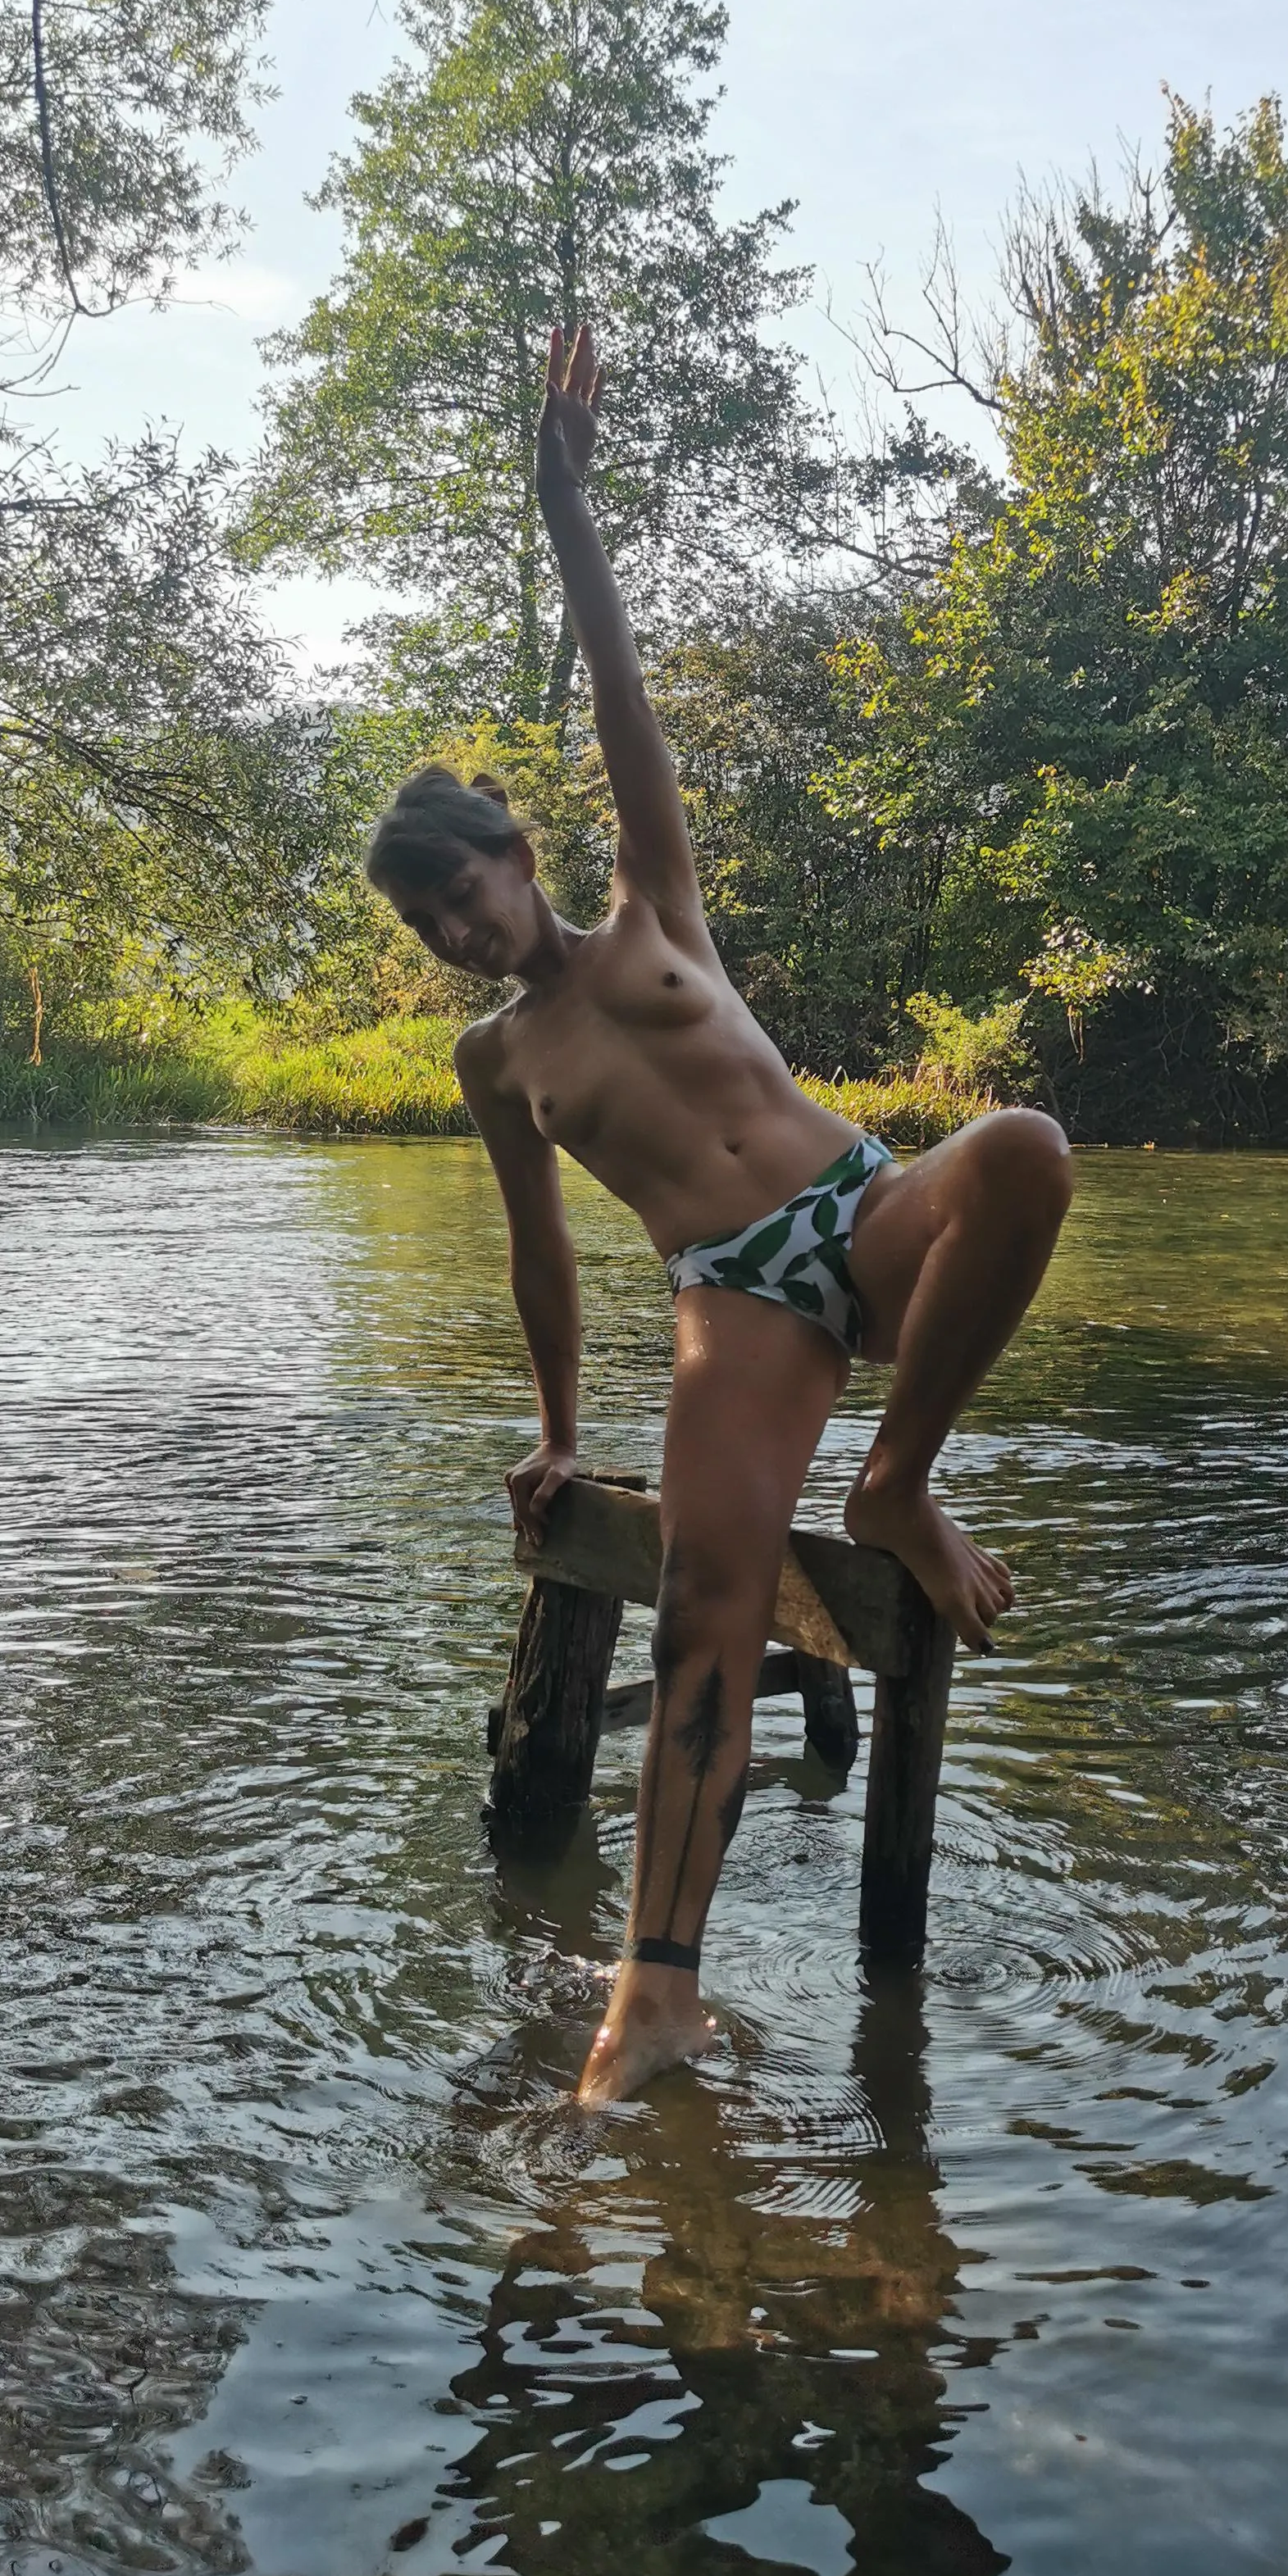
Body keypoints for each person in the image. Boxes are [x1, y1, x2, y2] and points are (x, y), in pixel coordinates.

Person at [365, 325, 1074, 2104]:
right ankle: (651, 1996)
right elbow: (538, 1253)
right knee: (704, 1608)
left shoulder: (653, 911)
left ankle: (897, 1473)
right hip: (731, 1307)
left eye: (469, 889)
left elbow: (625, 704)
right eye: (436, 924)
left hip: (858, 1207)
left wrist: (569, 506)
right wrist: (549, 1433)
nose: (465, 930)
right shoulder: (491, 1061)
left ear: (518, 858)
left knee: (1025, 1150)